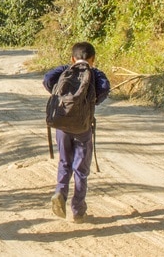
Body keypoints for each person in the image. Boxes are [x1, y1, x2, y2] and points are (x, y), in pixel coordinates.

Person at [42, 41, 110, 223]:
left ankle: (60, 192)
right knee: (81, 169)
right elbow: (105, 88)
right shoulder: (95, 74)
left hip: (62, 125)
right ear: (93, 59)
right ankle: (78, 211)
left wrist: (58, 95)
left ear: (72, 58)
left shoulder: (65, 70)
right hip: (83, 127)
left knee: (65, 162)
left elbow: (47, 79)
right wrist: (91, 102)